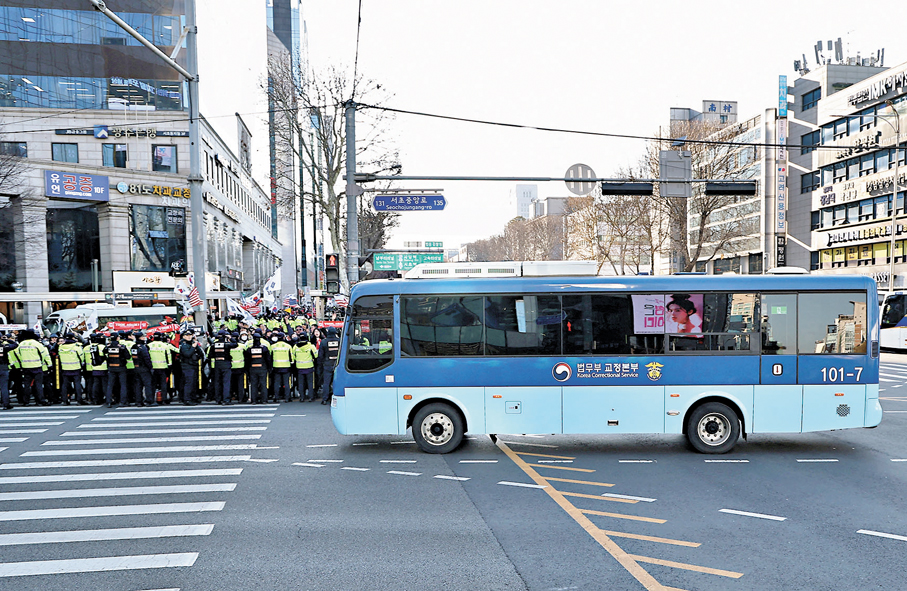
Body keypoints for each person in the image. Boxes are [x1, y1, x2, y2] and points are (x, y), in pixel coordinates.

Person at [10, 330, 51, 406]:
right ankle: (41, 400)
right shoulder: (37, 344)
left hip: (26, 366)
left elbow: (18, 354)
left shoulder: (21, 344)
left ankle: (26, 401)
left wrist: (23, 361)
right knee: (38, 385)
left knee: (27, 385)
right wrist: (41, 361)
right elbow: (43, 354)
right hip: (37, 366)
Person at [209, 330, 236, 405]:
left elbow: (210, 355)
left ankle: (218, 399)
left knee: (217, 382)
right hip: (225, 363)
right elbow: (235, 344)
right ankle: (226, 399)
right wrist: (230, 338)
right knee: (226, 382)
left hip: (217, 364)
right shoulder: (226, 344)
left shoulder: (214, 345)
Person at [105, 333, 132, 407]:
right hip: (121, 367)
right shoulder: (122, 347)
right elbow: (128, 357)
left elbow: (104, 354)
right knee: (123, 385)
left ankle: (109, 401)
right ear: (117, 338)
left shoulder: (107, 347)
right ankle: (123, 401)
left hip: (111, 367)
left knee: (110, 385)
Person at [58, 335, 86, 405]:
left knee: (65, 384)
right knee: (77, 384)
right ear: (73, 338)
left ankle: (65, 400)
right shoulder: (76, 347)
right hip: (76, 367)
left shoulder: (61, 347)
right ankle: (79, 400)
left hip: (65, 367)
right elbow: (81, 357)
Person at [245, 331, 271, 405]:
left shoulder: (250, 349)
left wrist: (247, 369)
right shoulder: (264, 348)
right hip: (262, 368)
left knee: (254, 385)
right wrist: (269, 368)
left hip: (253, 369)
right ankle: (264, 400)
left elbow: (247, 360)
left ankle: (254, 400)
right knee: (263, 384)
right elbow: (268, 359)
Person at [317, 327, 341, 404]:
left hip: (327, 364)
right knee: (337, 382)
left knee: (326, 383)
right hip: (337, 364)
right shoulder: (339, 341)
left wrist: (320, 365)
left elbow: (320, 355)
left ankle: (325, 399)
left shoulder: (324, 342)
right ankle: (338, 397)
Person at [179, 330, 204, 405]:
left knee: (193, 383)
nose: (189, 337)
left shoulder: (192, 343)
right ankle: (187, 399)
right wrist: (193, 347)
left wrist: (196, 345)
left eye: (190, 335)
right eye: (187, 335)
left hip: (194, 365)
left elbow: (201, 353)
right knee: (189, 383)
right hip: (187, 366)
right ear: (183, 336)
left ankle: (193, 398)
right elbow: (187, 354)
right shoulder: (184, 345)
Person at [293, 333, 318, 402]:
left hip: (299, 367)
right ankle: (311, 397)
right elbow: (316, 356)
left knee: (301, 383)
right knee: (310, 383)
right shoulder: (311, 346)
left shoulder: (295, 347)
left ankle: (302, 397)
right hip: (309, 366)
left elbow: (293, 357)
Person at [132, 331, 154, 406]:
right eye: (143, 336)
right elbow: (146, 358)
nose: (144, 338)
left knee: (138, 385)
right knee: (147, 385)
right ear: (140, 338)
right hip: (144, 368)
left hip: (136, 367)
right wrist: (150, 367)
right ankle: (149, 401)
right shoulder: (143, 347)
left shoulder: (134, 346)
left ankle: (139, 401)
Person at [270, 332, 293, 402]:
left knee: (276, 383)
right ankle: (287, 398)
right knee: (286, 383)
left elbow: (270, 357)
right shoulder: (288, 346)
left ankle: (276, 397)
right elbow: (292, 358)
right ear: (284, 337)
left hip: (276, 366)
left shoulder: (273, 346)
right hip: (286, 367)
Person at [0, 334, 16, 409]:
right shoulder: (4, 346)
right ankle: (6, 404)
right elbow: (15, 345)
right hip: (3, 366)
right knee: (4, 387)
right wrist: (7, 340)